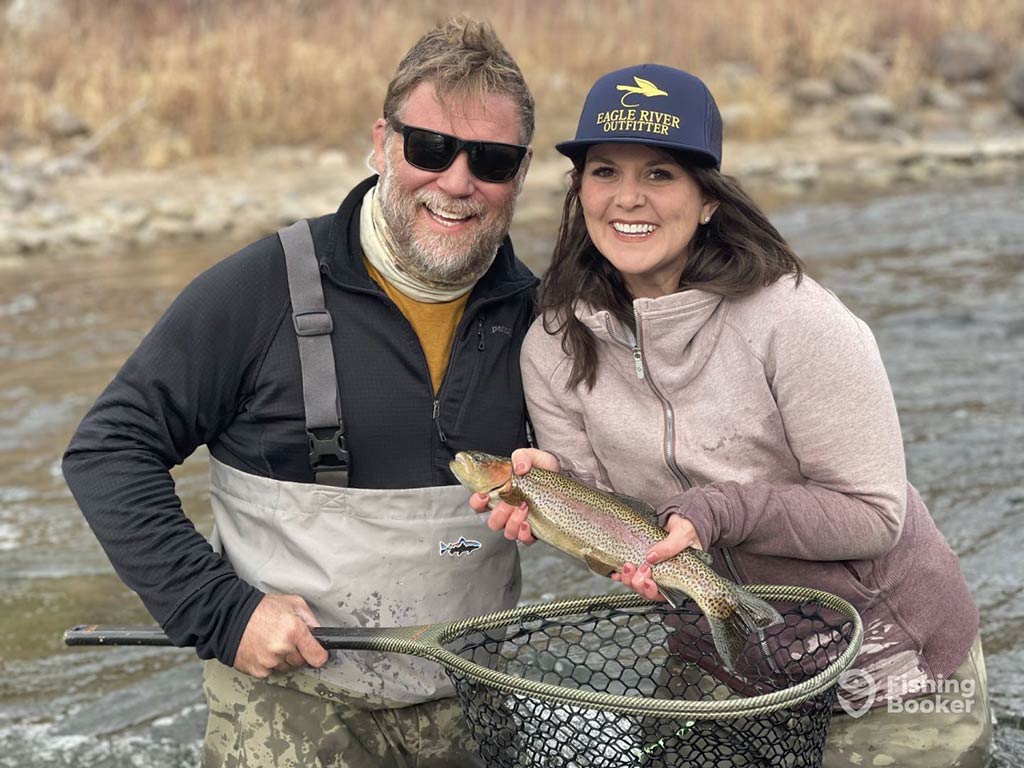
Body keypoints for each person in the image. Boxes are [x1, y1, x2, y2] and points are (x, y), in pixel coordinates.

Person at [479, 64, 991, 766]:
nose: (628, 198)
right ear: (579, 189)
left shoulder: (798, 320)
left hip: (887, 655)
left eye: (659, 174)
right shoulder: (553, 345)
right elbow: (627, 536)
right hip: (726, 651)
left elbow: (875, 515)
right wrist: (557, 496)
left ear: (709, 198)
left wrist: (717, 511)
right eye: (605, 172)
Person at [62, 17, 538, 767]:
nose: (457, 181)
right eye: (430, 148)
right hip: (287, 709)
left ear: (522, 172)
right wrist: (222, 614)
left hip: (473, 705)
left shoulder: (541, 319)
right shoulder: (258, 290)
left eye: (492, 160)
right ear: (381, 142)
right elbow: (107, 450)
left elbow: (604, 482)